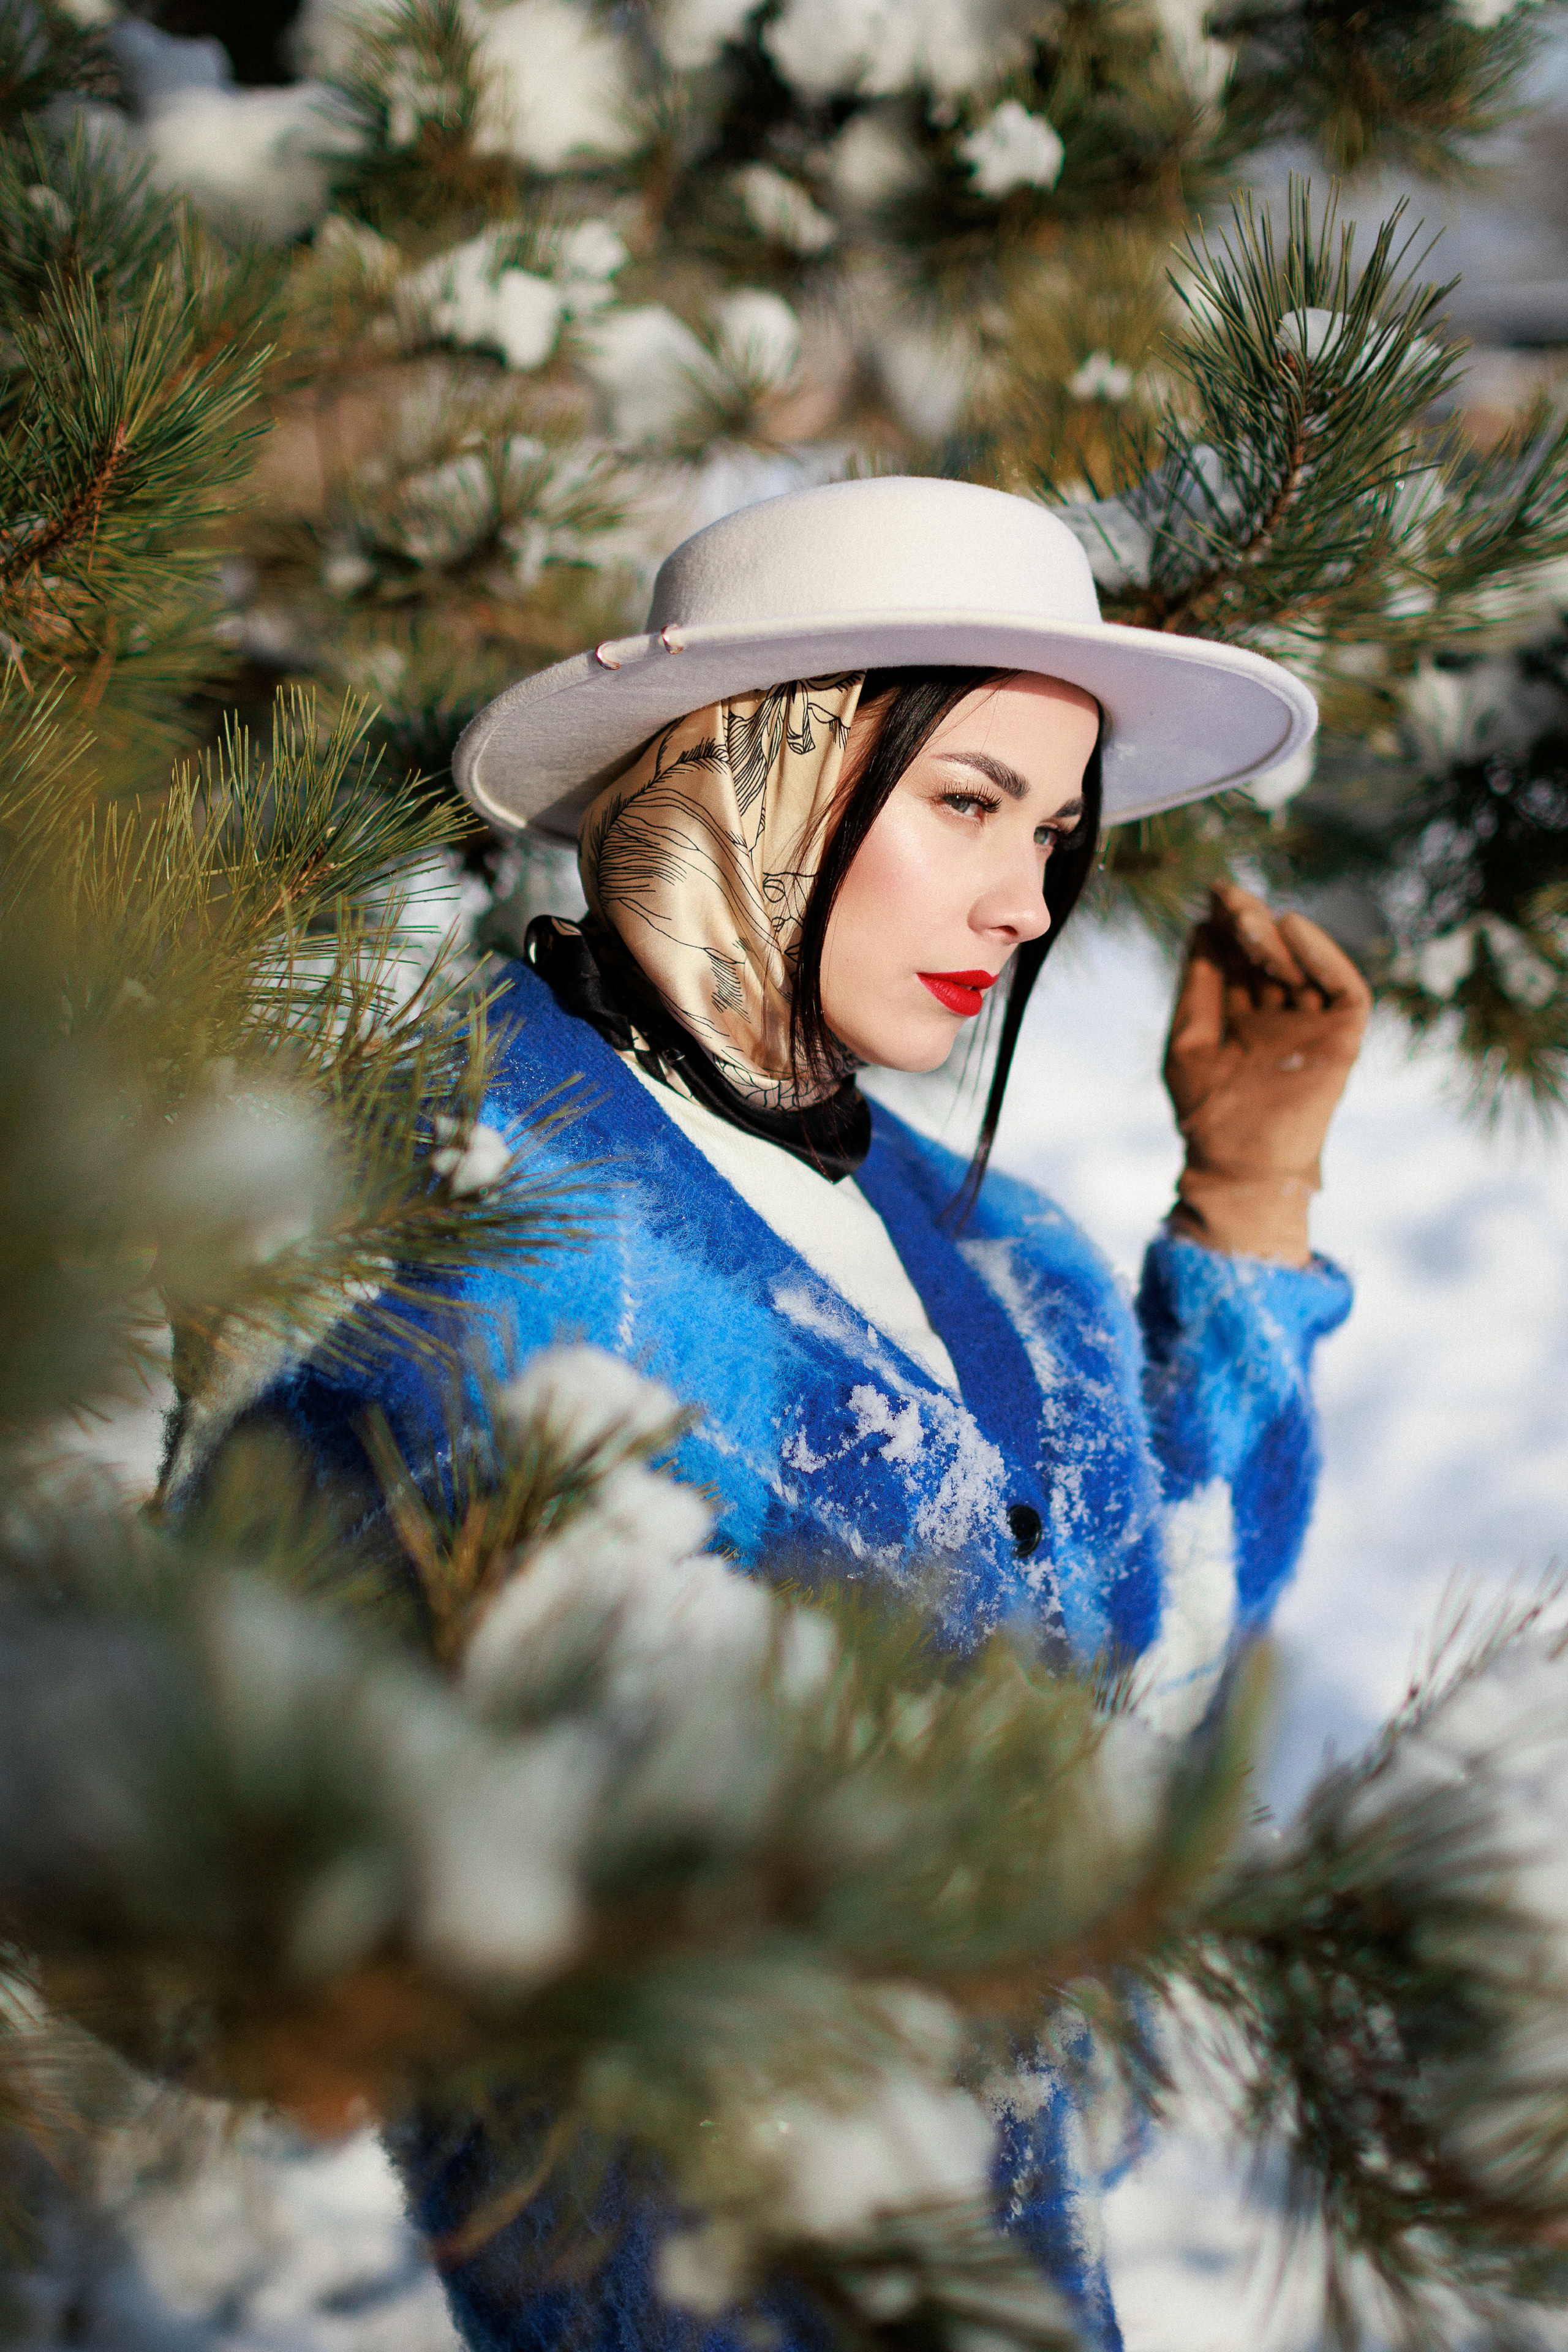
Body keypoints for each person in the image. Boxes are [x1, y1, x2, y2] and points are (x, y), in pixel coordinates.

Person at [174, 476, 1370, 2351]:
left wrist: (1247, 1205)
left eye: (1055, 828)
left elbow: (1139, 1693)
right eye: (968, 801)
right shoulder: (434, 1220)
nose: (1024, 892)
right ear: (753, 773)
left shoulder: (1011, 1252)